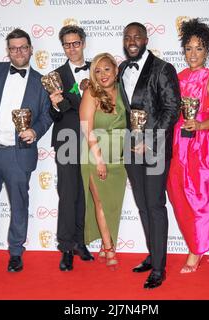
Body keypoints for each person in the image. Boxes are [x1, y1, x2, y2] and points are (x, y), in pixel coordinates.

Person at [0, 28, 52, 272]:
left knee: (19, 204)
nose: (18, 52)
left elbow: (46, 115)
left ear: (31, 49)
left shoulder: (42, 82)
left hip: (18, 153)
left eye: (23, 47)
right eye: (13, 48)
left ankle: (16, 252)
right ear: (7, 50)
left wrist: (35, 131)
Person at [166, 19, 209, 273]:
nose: (193, 54)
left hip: (204, 149)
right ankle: (204, 242)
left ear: (207, 52)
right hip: (179, 147)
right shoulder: (178, 78)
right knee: (179, 195)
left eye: (199, 49)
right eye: (189, 49)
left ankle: (196, 251)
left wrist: (201, 125)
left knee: (201, 199)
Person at [119, 22, 181, 289]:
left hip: (154, 149)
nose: (132, 41)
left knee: (155, 205)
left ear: (145, 39)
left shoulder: (163, 69)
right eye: (128, 37)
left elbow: (172, 108)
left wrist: (151, 140)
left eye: (137, 36)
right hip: (130, 149)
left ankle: (159, 268)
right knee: (143, 204)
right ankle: (153, 253)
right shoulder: (121, 68)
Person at [48, 25, 94, 272]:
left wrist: (70, 103)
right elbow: (52, 115)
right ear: (63, 46)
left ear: (83, 43)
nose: (72, 48)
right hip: (66, 139)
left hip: (93, 141)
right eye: (67, 44)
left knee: (85, 194)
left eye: (76, 43)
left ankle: (80, 242)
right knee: (68, 194)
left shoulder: (98, 71)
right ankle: (65, 247)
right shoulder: (55, 75)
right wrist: (57, 106)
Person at [79, 53, 127, 271]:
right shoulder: (91, 94)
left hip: (120, 157)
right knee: (101, 203)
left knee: (113, 205)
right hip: (94, 155)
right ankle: (109, 248)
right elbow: (86, 130)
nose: (103, 75)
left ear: (115, 70)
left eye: (106, 69)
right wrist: (98, 160)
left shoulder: (123, 91)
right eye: (97, 71)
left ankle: (106, 243)